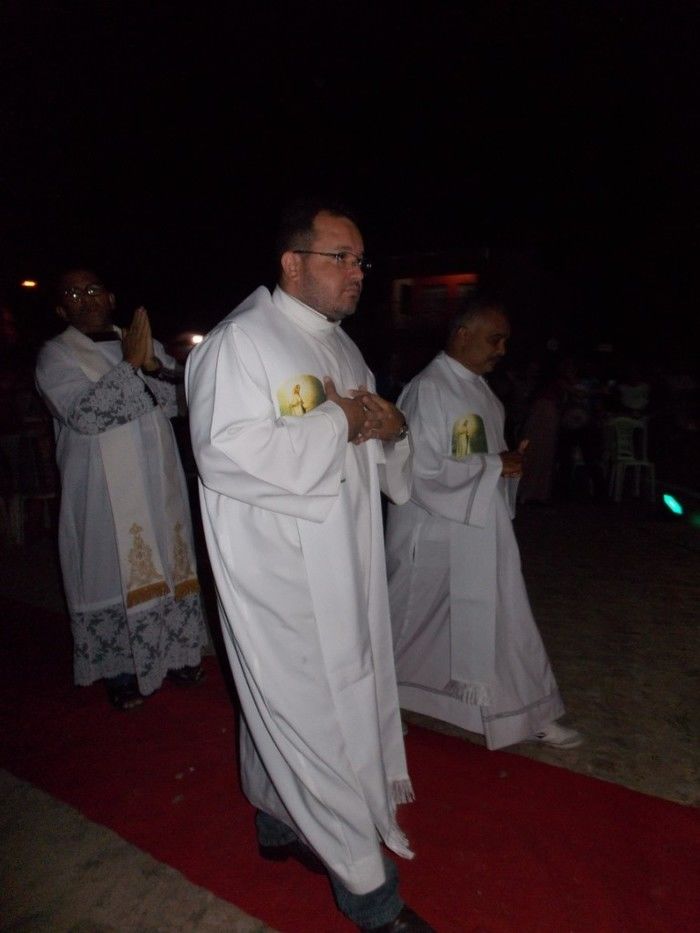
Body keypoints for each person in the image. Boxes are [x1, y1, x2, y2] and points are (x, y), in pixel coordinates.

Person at [185, 199, 435, 932]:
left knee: (298, 705)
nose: (359, 273)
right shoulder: (240, 343)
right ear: (293, 263)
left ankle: (273, 817)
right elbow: (224, 453)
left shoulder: (339, 346)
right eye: (342, 258)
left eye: (361, 260)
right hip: (281, 574)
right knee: (309, 716)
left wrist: (392, 430)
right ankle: (371, 895)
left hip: (343, 563)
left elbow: (378, 452)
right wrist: (343, 420)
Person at [385, 298, 582, 751]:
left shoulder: (482, 394)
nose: (502, 350)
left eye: (505, 341)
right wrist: (495, 464)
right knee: (407, 628)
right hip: (432, 536)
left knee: (506, 620)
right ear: (463, 334)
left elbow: (478, 463)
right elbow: (418, 471)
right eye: (495, 339)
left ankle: (526, 710)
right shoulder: (428, 389)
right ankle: (379, 705)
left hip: (479, 531)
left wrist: (507, 466)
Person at [35, 269, 207, 711]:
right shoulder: (56, 355)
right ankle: (120, 668)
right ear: (61, 308)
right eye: (72, 292)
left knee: (169, 562)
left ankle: (179, 652)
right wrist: (133, 367)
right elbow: (86, 413)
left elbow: (183, 402)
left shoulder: (138, 340)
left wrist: (155, 367)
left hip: (157, 475)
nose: (85, 298)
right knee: (112, 566)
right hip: (100, 488)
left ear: (111, 296)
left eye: (93, 288)